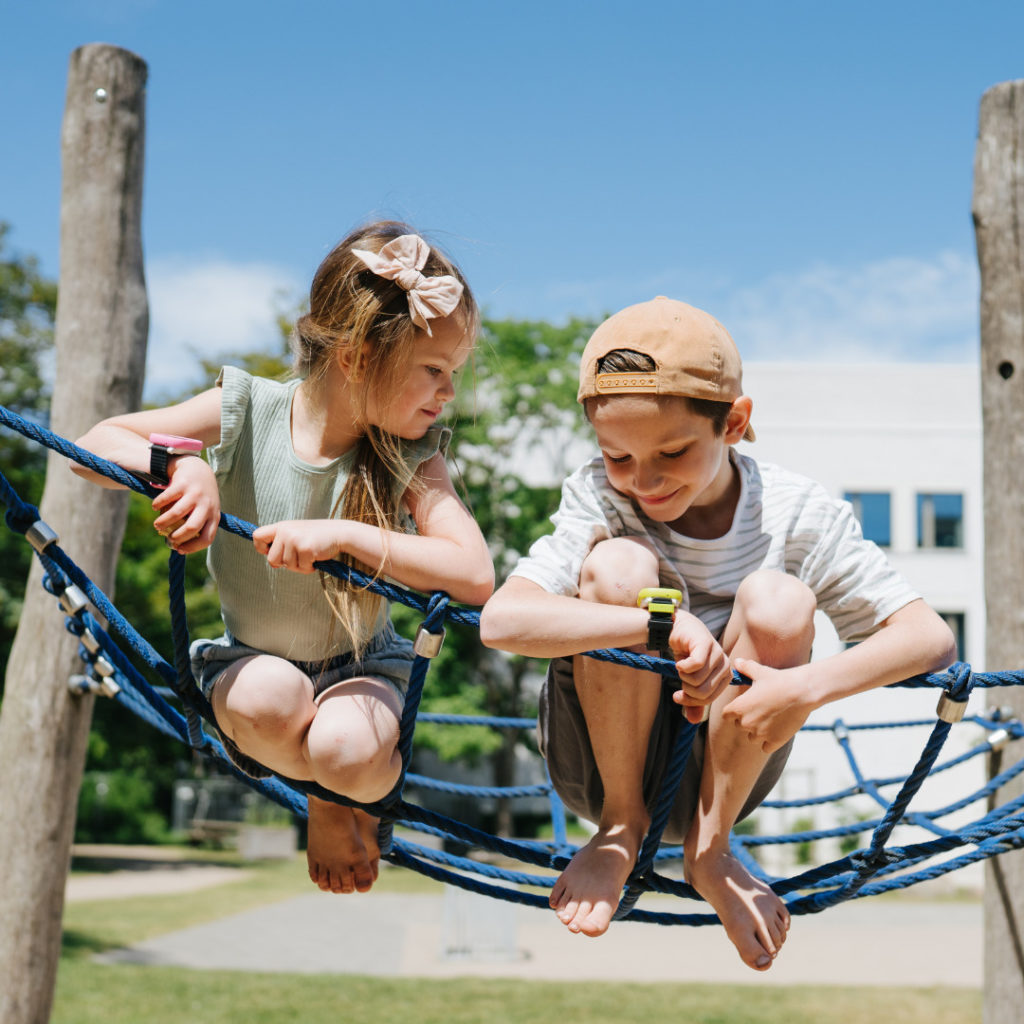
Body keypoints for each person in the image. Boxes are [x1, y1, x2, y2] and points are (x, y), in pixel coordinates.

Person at [479, 296, 955, 971]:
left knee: (781, 599)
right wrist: (661, 625)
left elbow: (929, 639)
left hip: (728, 767)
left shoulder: (796, 513)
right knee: (619, 566)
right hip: (602, 765)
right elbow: (502, 620)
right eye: (617, 456)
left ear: (733, 422)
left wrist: (805, 689)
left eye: (671, 451)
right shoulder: (599, 496)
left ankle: (711, 849)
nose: (643, 481)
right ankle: (619, 830)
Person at [73, 222, 495, 896]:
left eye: (454, 374)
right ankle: (323, 798)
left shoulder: (408, 456)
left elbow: (473, 574)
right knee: (275, 697)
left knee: (343, 748)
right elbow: (93, 441)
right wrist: (181, 466)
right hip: (250, 668)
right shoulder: (249, 410)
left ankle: (337, 798)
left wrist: (348, 539)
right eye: (435, 370)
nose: (449, 393)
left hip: (364, 674)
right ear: (357, 356)